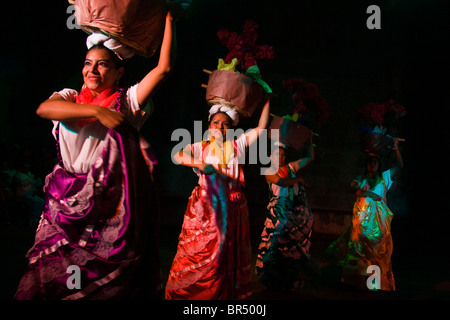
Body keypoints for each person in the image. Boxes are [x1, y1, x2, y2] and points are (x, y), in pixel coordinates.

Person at [15, 10, 176, 300]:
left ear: (119, 72)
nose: (92, 71)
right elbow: (44, 110)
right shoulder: (67, 97)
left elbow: (163, 69)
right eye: (88, 64)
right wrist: (96, 111)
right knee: (54, 277)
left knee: (97, 283)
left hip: (106, 207)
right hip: (64, 201)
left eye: (102, 65)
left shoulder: (127, 102)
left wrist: (167, 20)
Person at [165, 100, 270, 300]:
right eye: (216, 123)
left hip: (231, 205)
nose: (220, 127)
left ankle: (221, 294)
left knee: (224, 254)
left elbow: (261, 127)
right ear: (209, 126)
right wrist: (200, 164)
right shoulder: (201, 147)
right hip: (206, 206)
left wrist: (265, 99)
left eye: (225, 124)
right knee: (203, 253)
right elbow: (178, 155)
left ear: (231, 129)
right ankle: (197, 294)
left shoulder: (237, 145)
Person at [325, 138, 403, 291]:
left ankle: (375, 284)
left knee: (377, 251)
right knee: (359, 252)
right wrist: (367, 193)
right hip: (362, 222)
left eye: (374, 162)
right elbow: (354, 189)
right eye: (369, 162)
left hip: (378, 223)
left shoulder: (384, 177)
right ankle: (356, 282)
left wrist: (396, 149)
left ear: (379, 165)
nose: (371, 165)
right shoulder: (361, 179)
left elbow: (400, 166)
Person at [255, 137, 315, 291]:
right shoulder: (268, 171)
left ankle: (291, 278)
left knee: (293, 246)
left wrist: (308, 143)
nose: (280, 158)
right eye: (277, 155)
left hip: (294, 213)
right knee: (276, 243)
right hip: (278, 214)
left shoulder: (291, 168)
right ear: (270, 156)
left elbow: (309, 158)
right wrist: (298, 180)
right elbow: (282, 183)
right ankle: (272, 278)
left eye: (283, 155)